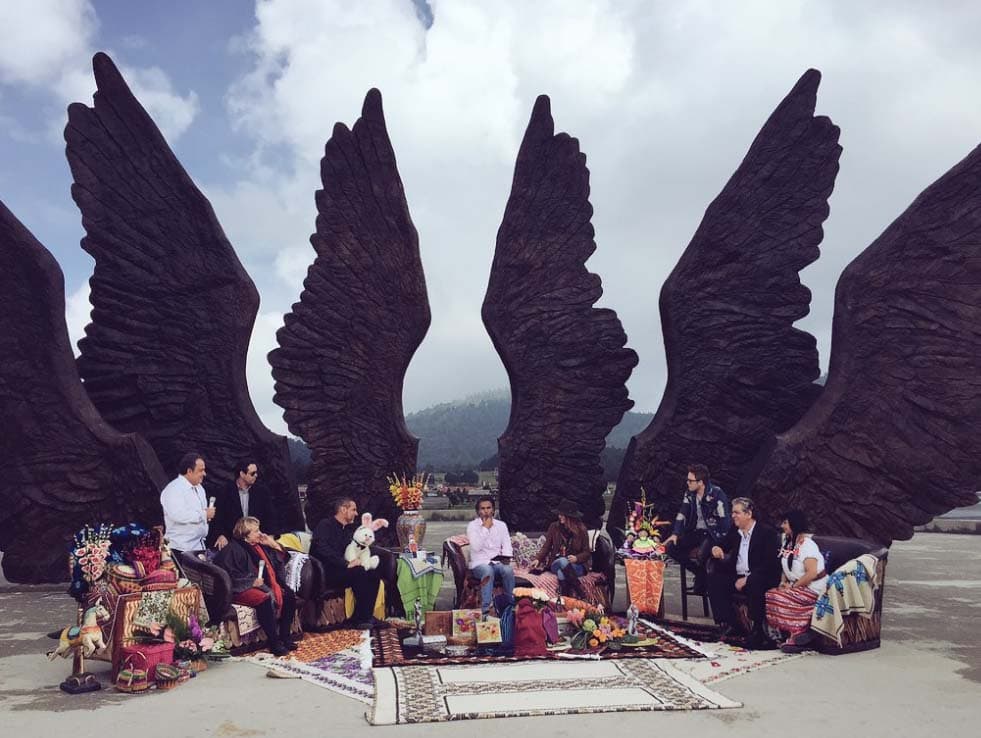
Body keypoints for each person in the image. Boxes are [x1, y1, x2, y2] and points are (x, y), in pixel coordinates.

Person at [214, 516, 298, 657]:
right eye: (255, 531)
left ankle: (285, 637)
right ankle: (274, 642)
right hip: (240, 588)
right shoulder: (233, 549)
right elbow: (227, 575)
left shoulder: (260, 546)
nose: (260, 533)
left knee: (289, 596)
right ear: (245, 534)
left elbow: (279, 562)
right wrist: (251, 583)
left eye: (259, 529)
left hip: (262, 584)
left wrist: (272, 544)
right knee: (263, 598)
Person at [706, 496, 782, 649]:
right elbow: (723, 544)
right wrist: (716, 548)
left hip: (759, 576)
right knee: (715, 580)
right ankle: (731, 623)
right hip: (739, 575)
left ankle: (757, 631)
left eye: (736, 512)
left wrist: (748, 579)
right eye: (732, 512)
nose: (732, 516)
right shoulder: (736, 531)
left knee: (755, 583)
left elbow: (770, 563)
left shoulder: (767, 533)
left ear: (749, 514)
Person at [310, 497, 382, 629]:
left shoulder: (347, 529)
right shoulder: (325, 525)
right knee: (359, 572)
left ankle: (364, 616)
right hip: (326, 572)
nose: (356, 513)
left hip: (343, 569)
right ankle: (361, 619)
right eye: (353, 509)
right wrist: (345, 563)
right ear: (343, 509)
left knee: (373, 574)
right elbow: (321, 549)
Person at [663, 464, 731, 595]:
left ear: (700, 482)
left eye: (690, 480)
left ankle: (702, 581)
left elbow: (724, 519)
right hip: (696, 531)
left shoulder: (717, 494)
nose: (687, 483)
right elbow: (682, 512)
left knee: (701, 555)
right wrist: (675, 533)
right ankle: (700, 575)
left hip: (712, 533)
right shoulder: (689, 494)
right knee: (672, 548)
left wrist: (723, 541)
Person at [765, 510, 828, 652]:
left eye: (785, 523)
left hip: (813, 588)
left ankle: (799, 631)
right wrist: (783, 583)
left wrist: (792, 587)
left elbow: (812, 573)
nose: (782, 526)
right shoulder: (788, 543)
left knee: (779, 597)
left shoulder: (807, 545)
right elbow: (785, 566)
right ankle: (783, 632)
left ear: (795, 524)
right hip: (797, 586)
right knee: (771, 594)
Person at [209, 458, 277, 550]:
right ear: (242, 474)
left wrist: (270, 537)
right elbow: (218, 518)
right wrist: (221, 535)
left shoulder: (262, 492)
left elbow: (270, 517)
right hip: (232, 542)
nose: (256, 475)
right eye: (252, 473)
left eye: (256, 473)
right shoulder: (224, 491)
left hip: (256, 541)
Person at [466, 496, 515, 619]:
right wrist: (485, 528)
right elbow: (476, 547)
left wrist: (506, 558)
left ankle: (509, 606)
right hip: (479, 564)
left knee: (508, 570)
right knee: (487, 571)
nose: (486, 511)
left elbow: (507, 545)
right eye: (483, 508)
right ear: (478, 511)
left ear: (493, 510)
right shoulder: (472, 526)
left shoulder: (501, 525)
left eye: (489, 508)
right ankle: (486, 610)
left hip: (497, 562)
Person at [532, 500, 592, 599]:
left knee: (561, 573)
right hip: (556, 562)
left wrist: (577, 558)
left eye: (562, 514)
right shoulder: (554, 527)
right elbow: (546, 546)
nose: (559, 516)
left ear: (570, 517)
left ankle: (566, 599)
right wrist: (538, 559)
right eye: (559, 514)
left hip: (576, 566)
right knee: (562, 561)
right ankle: (580, 592)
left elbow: (586, 552)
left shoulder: (581, 529)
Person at [160, 452, 214, 555]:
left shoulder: (200, 488)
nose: (204, 474)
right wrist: (203, 514)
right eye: (201, 470)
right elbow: (177, 515)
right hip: (178, 548)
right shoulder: (173, 489)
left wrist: (205, 516)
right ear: (189, 471)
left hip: (198, 546)